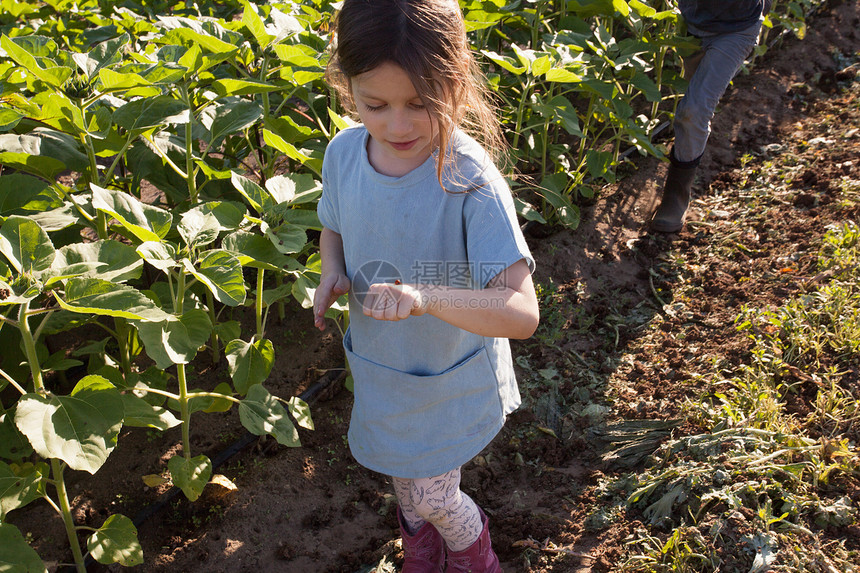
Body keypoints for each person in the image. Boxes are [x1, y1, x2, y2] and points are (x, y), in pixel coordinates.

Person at [312, 0, 540, 571]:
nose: (396, 125)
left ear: (455, 82)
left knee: (434, 492)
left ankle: (472, 551)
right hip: (382, 363)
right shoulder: (344, 153)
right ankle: (421, 545)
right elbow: (333, 224)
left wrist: (427, 297)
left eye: (420, 103)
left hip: (446, 374)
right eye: (375, 104)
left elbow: (521, 312)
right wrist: (330, 272)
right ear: (347, 89)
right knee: (404, 479)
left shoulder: (468, 178)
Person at [651, 0, 772, 233]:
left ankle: (675, 199)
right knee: (692, 96)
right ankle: (686, 151)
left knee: (693, 111)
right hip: (689, 23)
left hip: (737, 29)